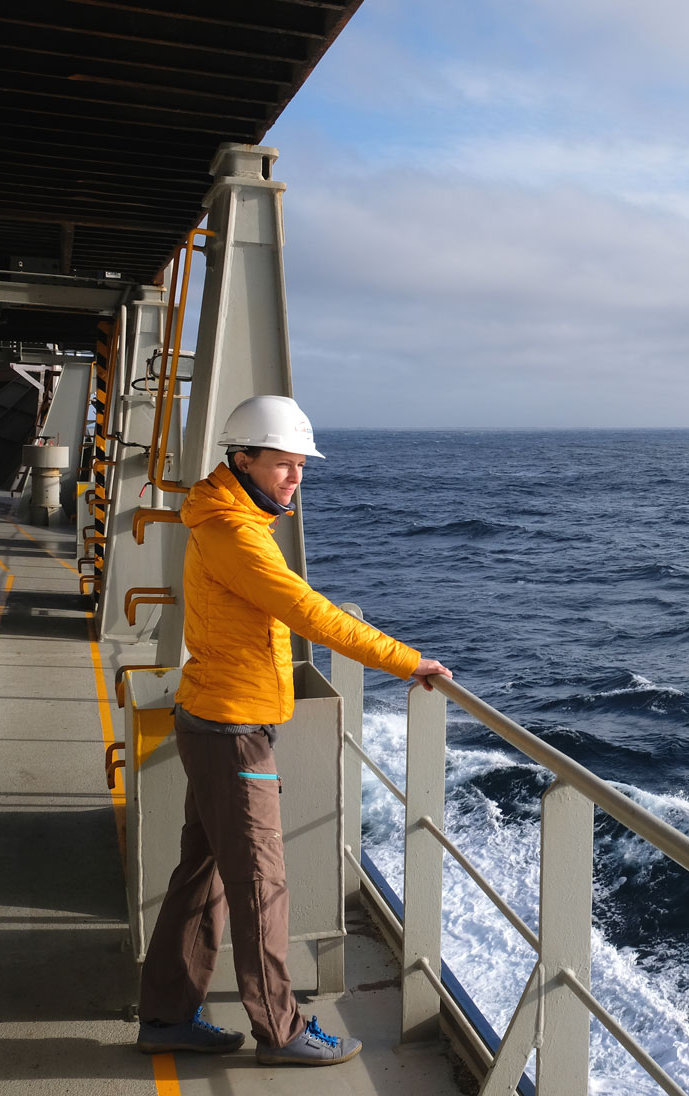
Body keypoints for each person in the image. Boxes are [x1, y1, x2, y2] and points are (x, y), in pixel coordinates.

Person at [135, 395, 451, 1065]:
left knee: (205, 878)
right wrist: (407, 661)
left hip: (218, 718)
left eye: (301, 467)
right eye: (284, 465)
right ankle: (279, 1031)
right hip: (231, 730)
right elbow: (311, 614)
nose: (295, 480)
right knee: (261, 886)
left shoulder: (233, 518)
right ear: (242, 459)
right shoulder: (237, 534)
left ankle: (165, 1015)